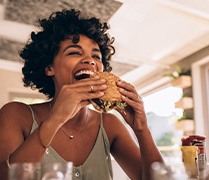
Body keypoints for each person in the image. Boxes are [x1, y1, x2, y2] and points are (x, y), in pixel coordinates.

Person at [0, 9, 164, 180]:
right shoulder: (15, 114)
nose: (90, 60)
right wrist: (55, 119)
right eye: (74, 52)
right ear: (49, 68)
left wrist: (142, 129)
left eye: (96, 55)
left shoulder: (109, 124)